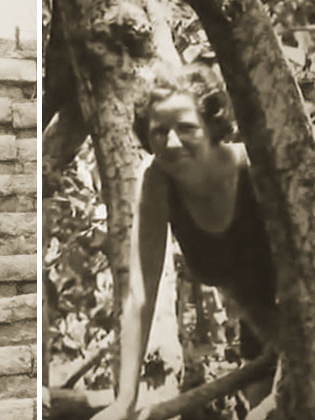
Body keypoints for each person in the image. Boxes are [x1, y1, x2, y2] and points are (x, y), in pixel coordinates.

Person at [92, 64, 279, 419]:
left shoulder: (255, 169)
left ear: (211, 126)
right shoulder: (158, 183)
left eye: (187, 128)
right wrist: (124, 401)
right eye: (159, 132)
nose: (172, 142)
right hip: (260, 321)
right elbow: (140, 295)